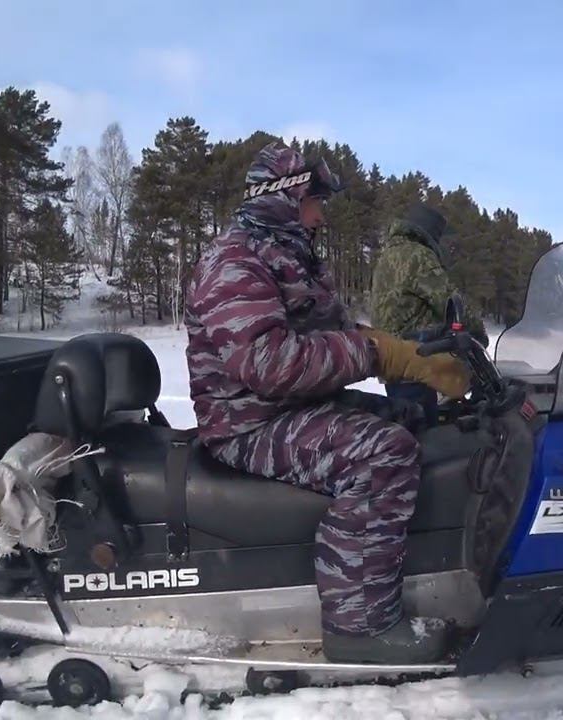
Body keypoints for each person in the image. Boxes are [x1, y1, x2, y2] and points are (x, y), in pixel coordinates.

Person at [184, 143, 469, 664]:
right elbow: (266, 363)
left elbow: (332, 335)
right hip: (248, 422)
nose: (322, 213)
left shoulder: (286, 255)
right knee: (383, 454)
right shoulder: (234, 261)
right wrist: (378, 353)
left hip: (292, 408)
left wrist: (413, 351)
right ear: (288, 198)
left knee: (412, 420)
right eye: (316, 200)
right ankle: (358, 627)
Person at [370, 203, 485, 424]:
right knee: (427, 435)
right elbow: (449, 299)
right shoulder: (418, 256)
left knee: (409, 426)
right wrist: (478, 334)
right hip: (418, 358)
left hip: (392, 360)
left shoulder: (389, 256)